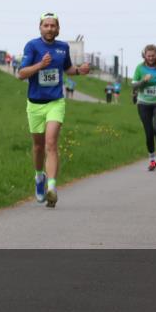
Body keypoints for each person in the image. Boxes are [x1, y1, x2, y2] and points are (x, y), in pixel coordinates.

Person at [18, 13, 90, 207]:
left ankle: (52, 187)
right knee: (38, 146)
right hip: (35, 103)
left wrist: (79, 71)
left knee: (51, 143)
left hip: (55, 102)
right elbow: (21, 74)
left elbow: (67, 69)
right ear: (40, 27)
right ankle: (39, 177)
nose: (49, 28)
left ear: (58, 29)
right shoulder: (32, 46)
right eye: (46, 25)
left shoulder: (63, 48)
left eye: (53, 26)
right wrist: (40, 65)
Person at [132, 44, 156, 170]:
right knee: (149, 133)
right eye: (148, 56)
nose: (151, 58)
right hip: (143, 103)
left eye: (153, 56)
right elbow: (134, 86)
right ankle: (152, 159)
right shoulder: (140, 68)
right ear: (145, 56)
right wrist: (144, 80)